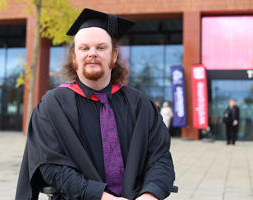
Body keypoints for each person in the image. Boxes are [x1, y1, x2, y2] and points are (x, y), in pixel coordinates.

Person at [16, 8, 175, 200]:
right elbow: (51, 165)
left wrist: (149, 196)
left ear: (114, 56)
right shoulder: (53, 105)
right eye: (84, 48)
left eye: (101, 48)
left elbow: (160, 159)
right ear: (74, 58)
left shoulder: (140, 104)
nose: (92, 53)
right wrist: (101, 197)